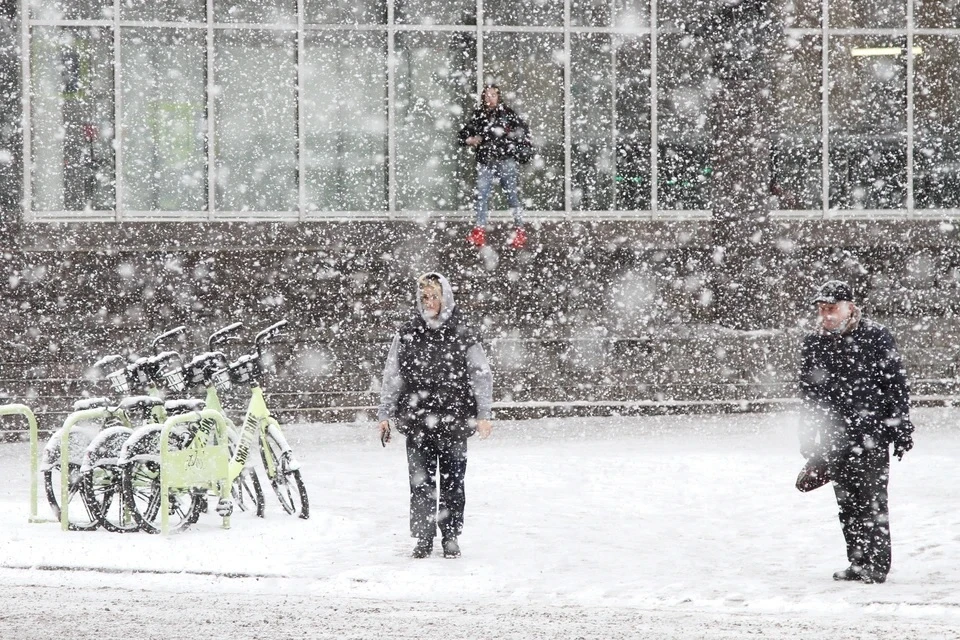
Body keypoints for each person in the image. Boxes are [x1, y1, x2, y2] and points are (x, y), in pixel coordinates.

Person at [798, 279, 914, 584]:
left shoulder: (876, 336)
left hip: (871, 434)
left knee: (873, 502)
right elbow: (809, 396)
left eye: (832, 308)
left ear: (850, 307)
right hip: (835, 437)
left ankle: (877, 566)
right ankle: (858, 562)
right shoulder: (815, 342)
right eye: (822, 309)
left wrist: (901, 428)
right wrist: (809, 444)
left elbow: (896, 385)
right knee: (847, 504)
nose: (827, 315)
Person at [378, 272, 493, 559]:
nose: (429, 303)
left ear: (446, 299)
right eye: (424, 297)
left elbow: (481, 374)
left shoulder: (463, 333)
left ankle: (451, 536)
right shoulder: (407, 332)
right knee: (421, 483)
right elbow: (392, 375)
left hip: (455, 419)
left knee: (454, 482)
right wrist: (385, 412)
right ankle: (424, 537)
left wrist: (483, 413)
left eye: (434, 297)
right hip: (417, 420)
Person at [458, 85, 530, 249]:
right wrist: (470, 140)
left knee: (512, 196)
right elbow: (463, 135)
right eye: (487, 95)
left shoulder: (508, 114)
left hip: (505, 161)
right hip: (486, 161)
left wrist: (512, 148)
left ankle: (520, 232)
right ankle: (479, 232)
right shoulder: (479, 115)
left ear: (499, 97)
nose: (489, 98)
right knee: (481, 197)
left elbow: (522, 133)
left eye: (493, 95)